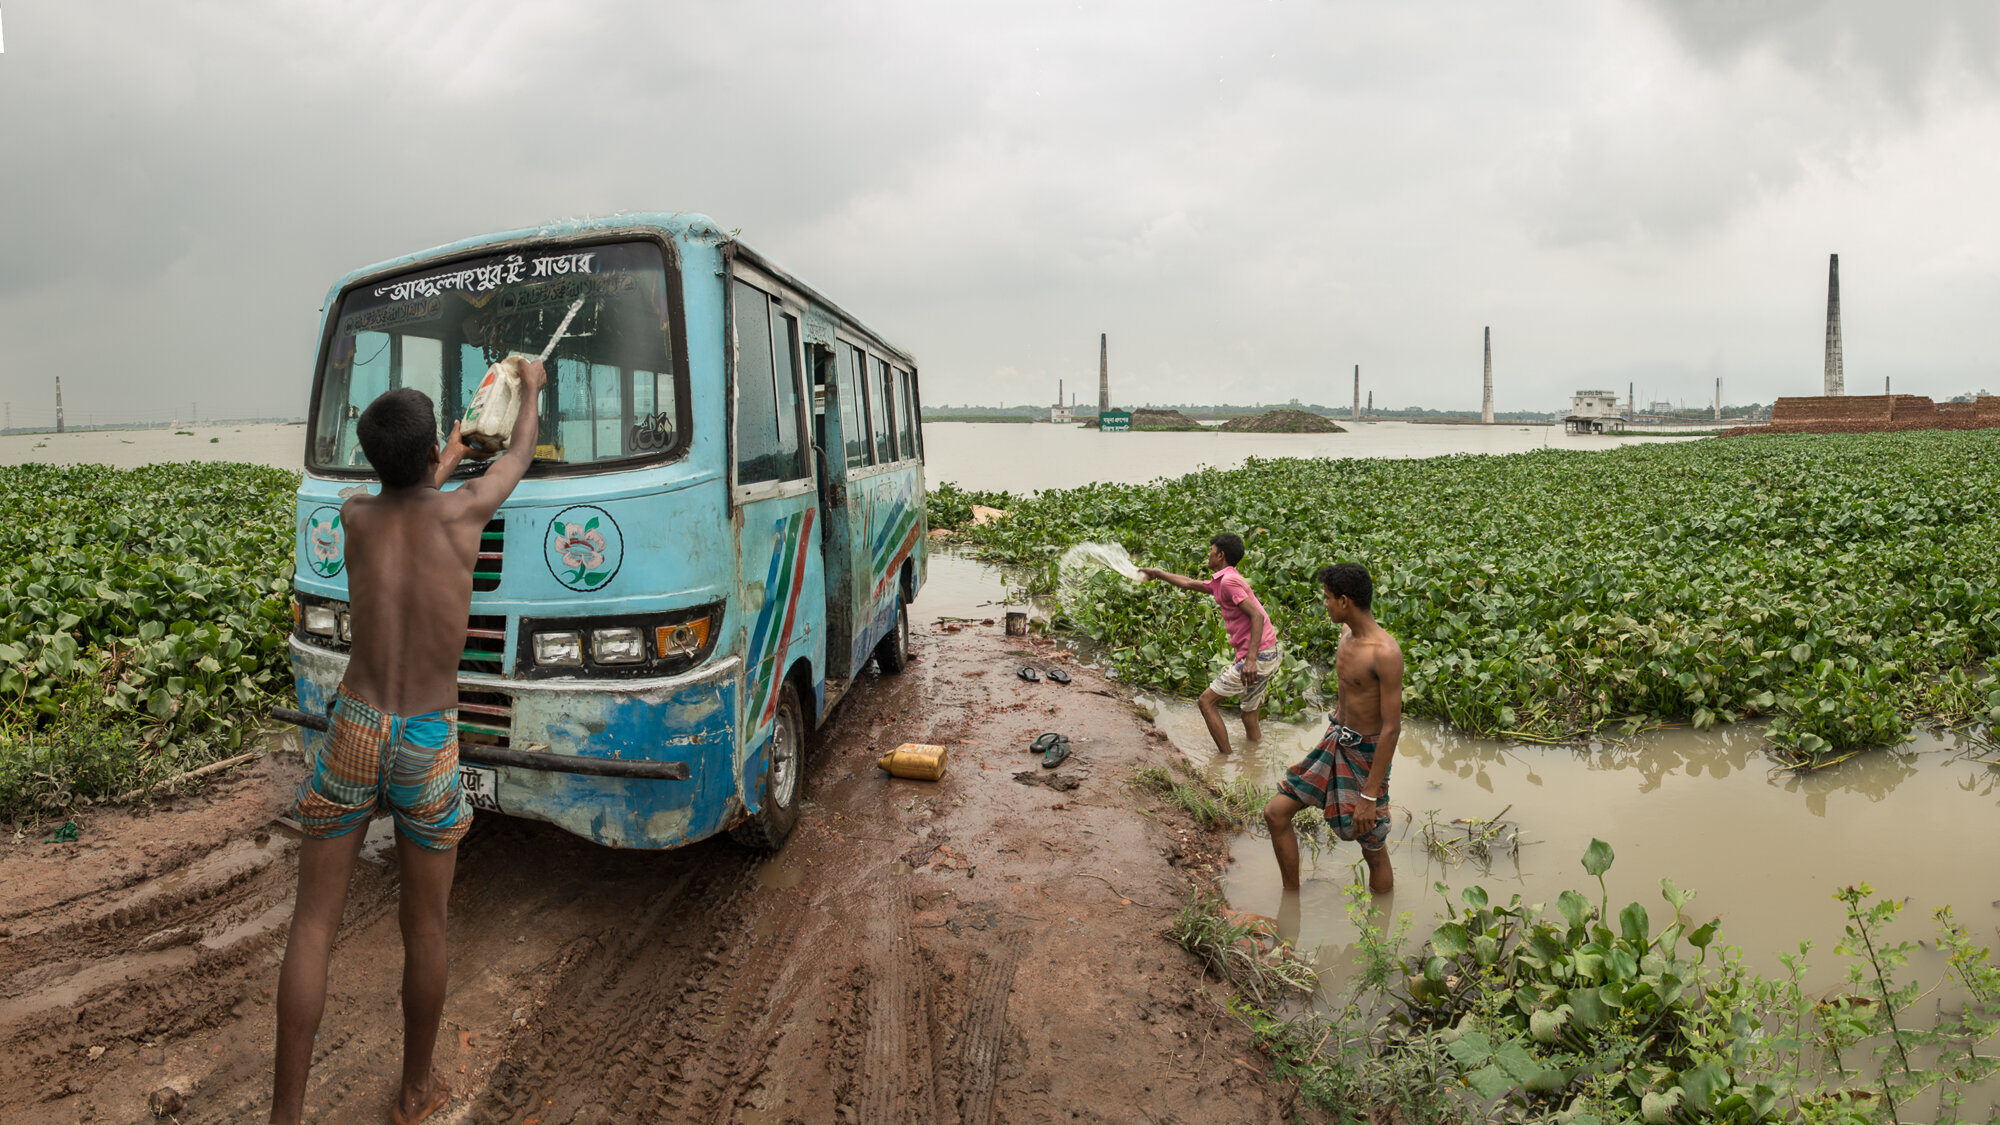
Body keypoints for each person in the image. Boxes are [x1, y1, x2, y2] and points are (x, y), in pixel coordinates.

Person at [270, 361, 545, 1125]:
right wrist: (534, 388)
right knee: (424, 927)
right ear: (432, 456)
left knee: (312, 924)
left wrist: (439, 451)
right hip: (428, 733)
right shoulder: (463, 516)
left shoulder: (356, 516)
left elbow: (405, 490)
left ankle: (284, 1116)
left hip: (357, 722)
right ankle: (413, 1092)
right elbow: (519, 454)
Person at [1264, 562, 1402, 894]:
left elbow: (1391, 729)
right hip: (1335, 741)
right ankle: (1291, 899)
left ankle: (1378, 935)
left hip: (1366, 754)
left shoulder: (1385, 652)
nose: (1324, 604)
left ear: (1344, 601)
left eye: (1327, 598)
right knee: (1275, 813)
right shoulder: (1345, 635)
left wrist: (1369, 795)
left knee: (1372, 845)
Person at [1137, 532, 1280, 756]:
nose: (1208, 555)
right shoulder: (1224, 579)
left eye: (1211, 551)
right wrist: (1157, 573)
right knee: (1249, 714)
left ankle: (1226, 758)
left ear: (1221, 555)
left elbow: (1257, 617)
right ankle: (1255, 760)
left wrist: (1250, 660)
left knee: (1206, 702)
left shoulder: (1230, 582)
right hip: (1268, 651)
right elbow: (1188, 583)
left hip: (1258, 655)